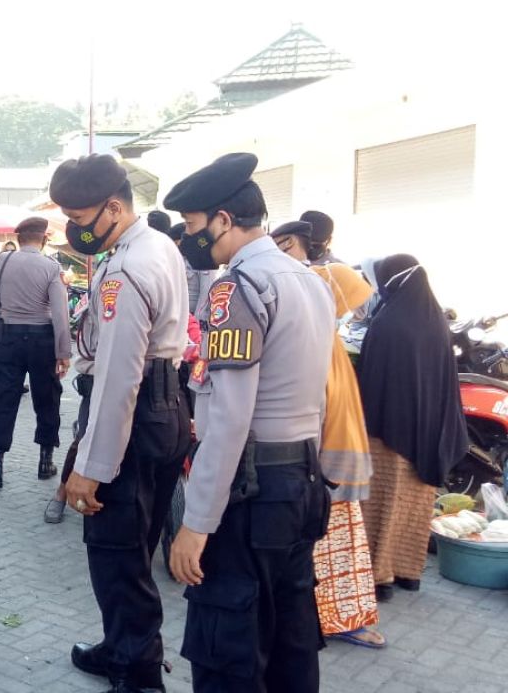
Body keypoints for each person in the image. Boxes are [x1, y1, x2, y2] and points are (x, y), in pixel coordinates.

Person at [165, 153, 335, 693]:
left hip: (250, 493)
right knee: (290, 638)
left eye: (193, 227)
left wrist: (196, 523)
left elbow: (230, 418)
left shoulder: (235, 288)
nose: (192, 239)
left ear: (221, 219)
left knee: (229, 647)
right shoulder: (308, 280)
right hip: (300, 482)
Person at [45, 156, 190, 692]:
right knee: (135, 541)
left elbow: (116, 376)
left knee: (116, 551)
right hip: (163, 407)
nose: (75, 227)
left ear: (113, 207)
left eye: (80, 215)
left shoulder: (128, 267)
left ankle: (138, 672)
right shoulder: (153, 246)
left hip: (133, 413)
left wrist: (91, 466)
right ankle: (121, 647)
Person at [273, 221, 384, 648]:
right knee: (327, 541)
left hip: (325, 461)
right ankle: (329, 617)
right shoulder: (319, 326)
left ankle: (333, 616)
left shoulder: (326, 337)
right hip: (318, 463)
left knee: (335, 538)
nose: (355, 310)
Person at [357, 254, 468, 601]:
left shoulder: (390, 322)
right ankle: (408, 573)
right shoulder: (434, 318)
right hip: (427, 436)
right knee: (413, 505)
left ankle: (380, 577)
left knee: (383, 504)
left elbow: (374, 379)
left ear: (394, 280)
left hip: (389, 433)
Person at [0, 217, 72, 489]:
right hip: (43, 341)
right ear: (43, 239)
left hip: (9, 340)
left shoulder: (2, 261)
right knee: (47, 400)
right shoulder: (51, 267)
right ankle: (45, 462)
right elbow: (60, 314)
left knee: (4, 399)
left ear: (19, 238)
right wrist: (63, 352)